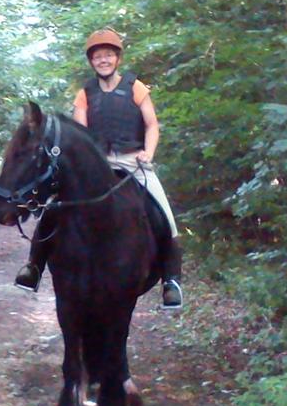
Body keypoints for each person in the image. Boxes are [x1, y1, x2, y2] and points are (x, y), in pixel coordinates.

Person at [14, 28, 183, 310]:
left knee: (165, 214)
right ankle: (34, 266)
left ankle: (171, 281)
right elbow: (82, 132)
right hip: (98, 164)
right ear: (92, 61)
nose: (103, 60)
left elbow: (152, 124)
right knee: (55, 208)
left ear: (117, 58)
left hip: (133, 162)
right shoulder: (85, 93)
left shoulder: (136, 87)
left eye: (108, 55)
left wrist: (148, 153)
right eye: (98, 56)